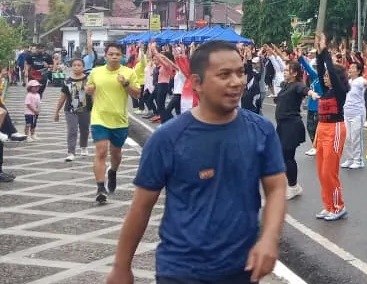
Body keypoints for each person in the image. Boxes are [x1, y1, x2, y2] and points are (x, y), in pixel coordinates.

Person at [106, 40, 286, 284]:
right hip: (181, 270)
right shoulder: (167, 139)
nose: (236, 82)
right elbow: (141, 207)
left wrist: (269, 238)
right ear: (197, 83)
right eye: (224, 75)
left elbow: (276, 187)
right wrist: (121, 266)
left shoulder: (261, 130)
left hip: (242, 269)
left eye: (240, 72)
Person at [86, 43, 145, 204]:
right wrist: (89, 90)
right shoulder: (96, 72)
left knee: (116, 153)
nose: (114, 57)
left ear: (122, 57)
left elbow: (137, 94)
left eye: (117, 54)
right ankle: (100, 188)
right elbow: (89, 88)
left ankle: (113, 171)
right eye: (111, 54)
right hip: (99, 119)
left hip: (119, 121)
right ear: (105, 56)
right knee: (101, 151)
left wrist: (125, 83)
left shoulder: (128, 72)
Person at [309, 33, 350, 221]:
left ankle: (338, 206)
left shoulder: (340, 92)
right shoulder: (326, 92)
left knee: (329, 171)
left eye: (328, 76)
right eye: (324, 76)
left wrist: (325, 50)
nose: (325, 78)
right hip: (323, 129)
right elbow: (320, 73)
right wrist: (319, 53)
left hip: (335, 130)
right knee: (320, 172)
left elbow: (331, 72)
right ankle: (328, 205)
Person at [276, 60, 310, 200]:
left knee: (288, 157)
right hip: (282, 126)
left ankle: (293, 186)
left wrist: (311, 93)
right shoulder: (285, 85)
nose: (284, 72)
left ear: (294, 73)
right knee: (282, 156)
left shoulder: (297, 85)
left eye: (287, 70)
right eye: (284, 70)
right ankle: (292, 185)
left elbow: (304, 90)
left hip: (292, 126)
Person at [54, 57, 92, 161]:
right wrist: (57, 111)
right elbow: (62, 97)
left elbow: (94, 94)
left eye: (79, 65)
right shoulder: (67, 81)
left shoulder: (88, 79)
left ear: (83, 67)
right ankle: (71, 152)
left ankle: (83, 147)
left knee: (84, 129)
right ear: (71, 67)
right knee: (72, 130)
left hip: (85, 109)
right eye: (74, 65)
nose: (76, 67)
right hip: (70, 110)